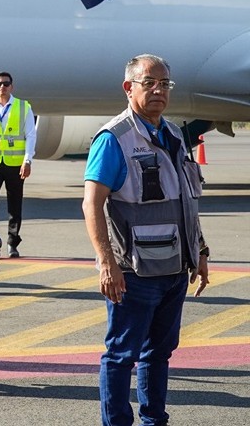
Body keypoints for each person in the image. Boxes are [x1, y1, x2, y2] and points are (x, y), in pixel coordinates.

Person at [82, 54, 209, 426]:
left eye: (164, 84)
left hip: (173, 268)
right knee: (122, 355)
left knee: (160, 354)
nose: (158, 91)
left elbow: (185, 200)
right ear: (129, 87)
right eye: (148, 83)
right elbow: (91, 204)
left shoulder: (172, 133)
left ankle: (155, 420)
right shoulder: (114, 139)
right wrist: (106, 263)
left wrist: (199, 249)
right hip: (133, 272)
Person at [0, 71, 36, 258]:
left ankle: (13, 243)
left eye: (6, 83)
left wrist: (27, 160)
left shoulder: (22, 107)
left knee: (15, 203)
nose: (2, 87)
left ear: (12, 86)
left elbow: (30, 135)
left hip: (14, 163)